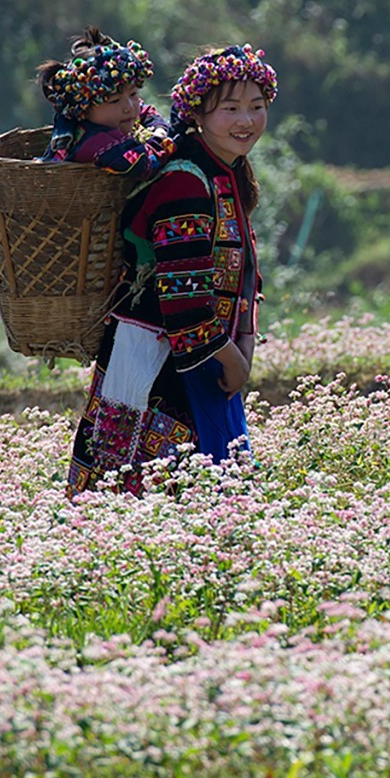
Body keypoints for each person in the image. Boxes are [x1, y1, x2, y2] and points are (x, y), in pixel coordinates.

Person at [64, 42, 277, 496]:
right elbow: (182, 298)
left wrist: (244, 343)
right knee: (156, 502)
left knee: (203, 508)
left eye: (256, 107)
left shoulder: (224, 172)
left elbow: (243, 274)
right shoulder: (184, 179)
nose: (246, 121)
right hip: (163, 362)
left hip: (206, 356)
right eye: (231, 108)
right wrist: (232, 359)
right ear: (198, 114)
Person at [34, 27, 176, 177]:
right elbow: (145, 164)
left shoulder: (115, 118)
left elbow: (146, 111)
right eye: (115, 101)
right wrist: (160, 139)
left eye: (133, 94)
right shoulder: (95, 143)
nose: (129, 107)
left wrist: (158, 127)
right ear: (84, 109)